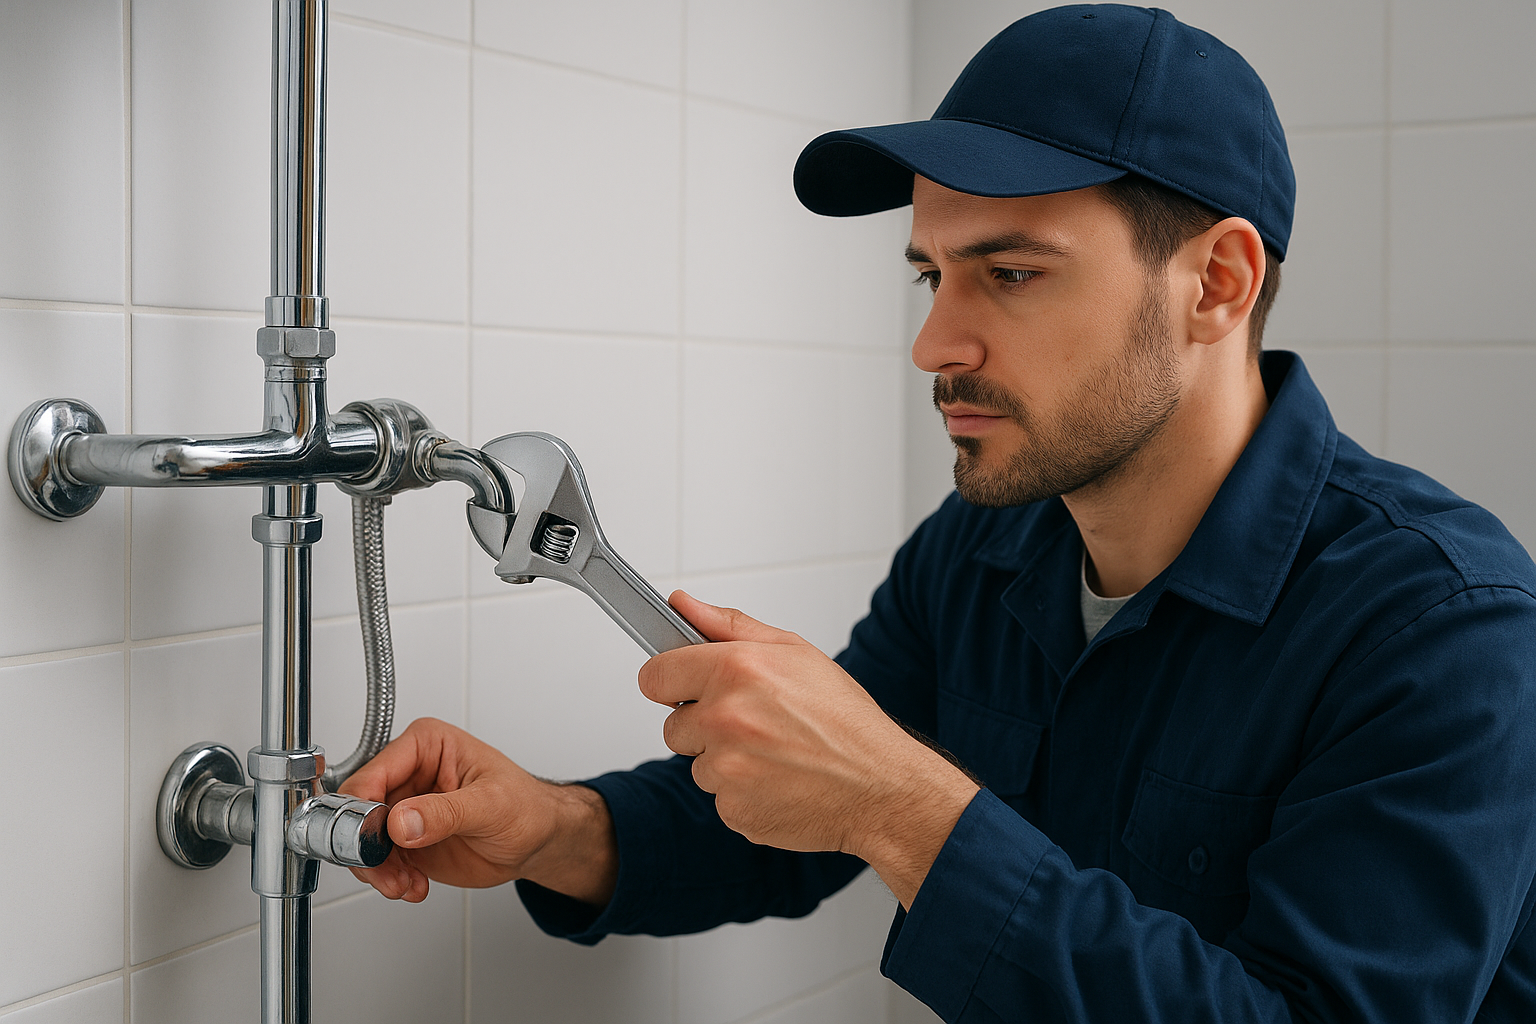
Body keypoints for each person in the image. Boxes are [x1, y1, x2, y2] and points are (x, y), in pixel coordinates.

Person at [341, 6, 1536, 1021]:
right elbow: (781, 819)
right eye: (932, 271)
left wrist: (900, 804)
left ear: (1216, 282)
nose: (934, 344)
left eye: (1010, 274)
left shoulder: (1447, 633)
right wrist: (550, 825)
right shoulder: (982, 547)